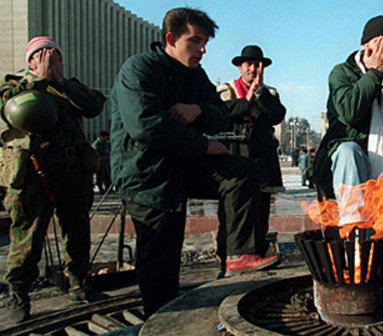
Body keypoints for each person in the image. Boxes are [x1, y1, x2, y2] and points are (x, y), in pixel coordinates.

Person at [110, 8, 279, 317]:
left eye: (205, 43)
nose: (203, 50)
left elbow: (221, 112)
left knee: (244, 172)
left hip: (182, 165)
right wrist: (202, 144)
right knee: (161, 259)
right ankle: (159, 321)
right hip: (147, 175)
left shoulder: (195, 75)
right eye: (196, 41)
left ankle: (238, 255)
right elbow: (145, 128)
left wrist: (197, 110)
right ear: (171, 39)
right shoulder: (138, 70)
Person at [0, 36, 106, 323]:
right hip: (34, 171)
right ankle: (19, 295)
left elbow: (94, 105)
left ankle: (79, 285)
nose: (50, 60)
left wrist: (60, 82)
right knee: (27, 235)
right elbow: (10, 107)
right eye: (43, 55)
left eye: (55, 55)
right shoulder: (15, 86)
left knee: (78, 229)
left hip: (72, 169)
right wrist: (38, 82)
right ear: (30, 61)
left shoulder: (70, 88)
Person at [313, 15, 383, 227]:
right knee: (348, 151)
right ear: (365, 45)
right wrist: (374, 74)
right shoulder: (342, 73)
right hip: (347, 166)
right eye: (381, 41)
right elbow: (349, 112)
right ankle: (353, 227)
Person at [216, 45, 286, 260]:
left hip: (261, 155)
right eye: (249, 65)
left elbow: (276, 115)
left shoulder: (269, 93)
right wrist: (244, 103)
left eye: (258, 65)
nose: (253, 69)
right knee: (232, 206)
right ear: (240, 67)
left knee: (261, 206)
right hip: (235, 154)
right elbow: (219, 115)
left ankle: (257, 250)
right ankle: (227, 251)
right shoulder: (225, 91)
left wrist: (258, 94)